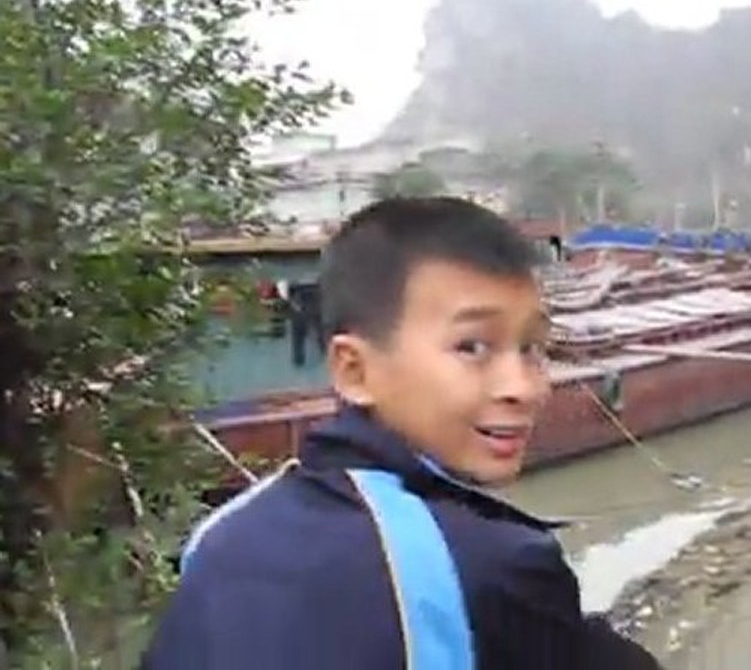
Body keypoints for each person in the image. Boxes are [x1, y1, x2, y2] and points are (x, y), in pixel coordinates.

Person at [142, 197, 662, 669]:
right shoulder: (488, 562)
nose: (524, 388)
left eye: (532, 348)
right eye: (473, 347)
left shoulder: (218, 536)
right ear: (354, 371)